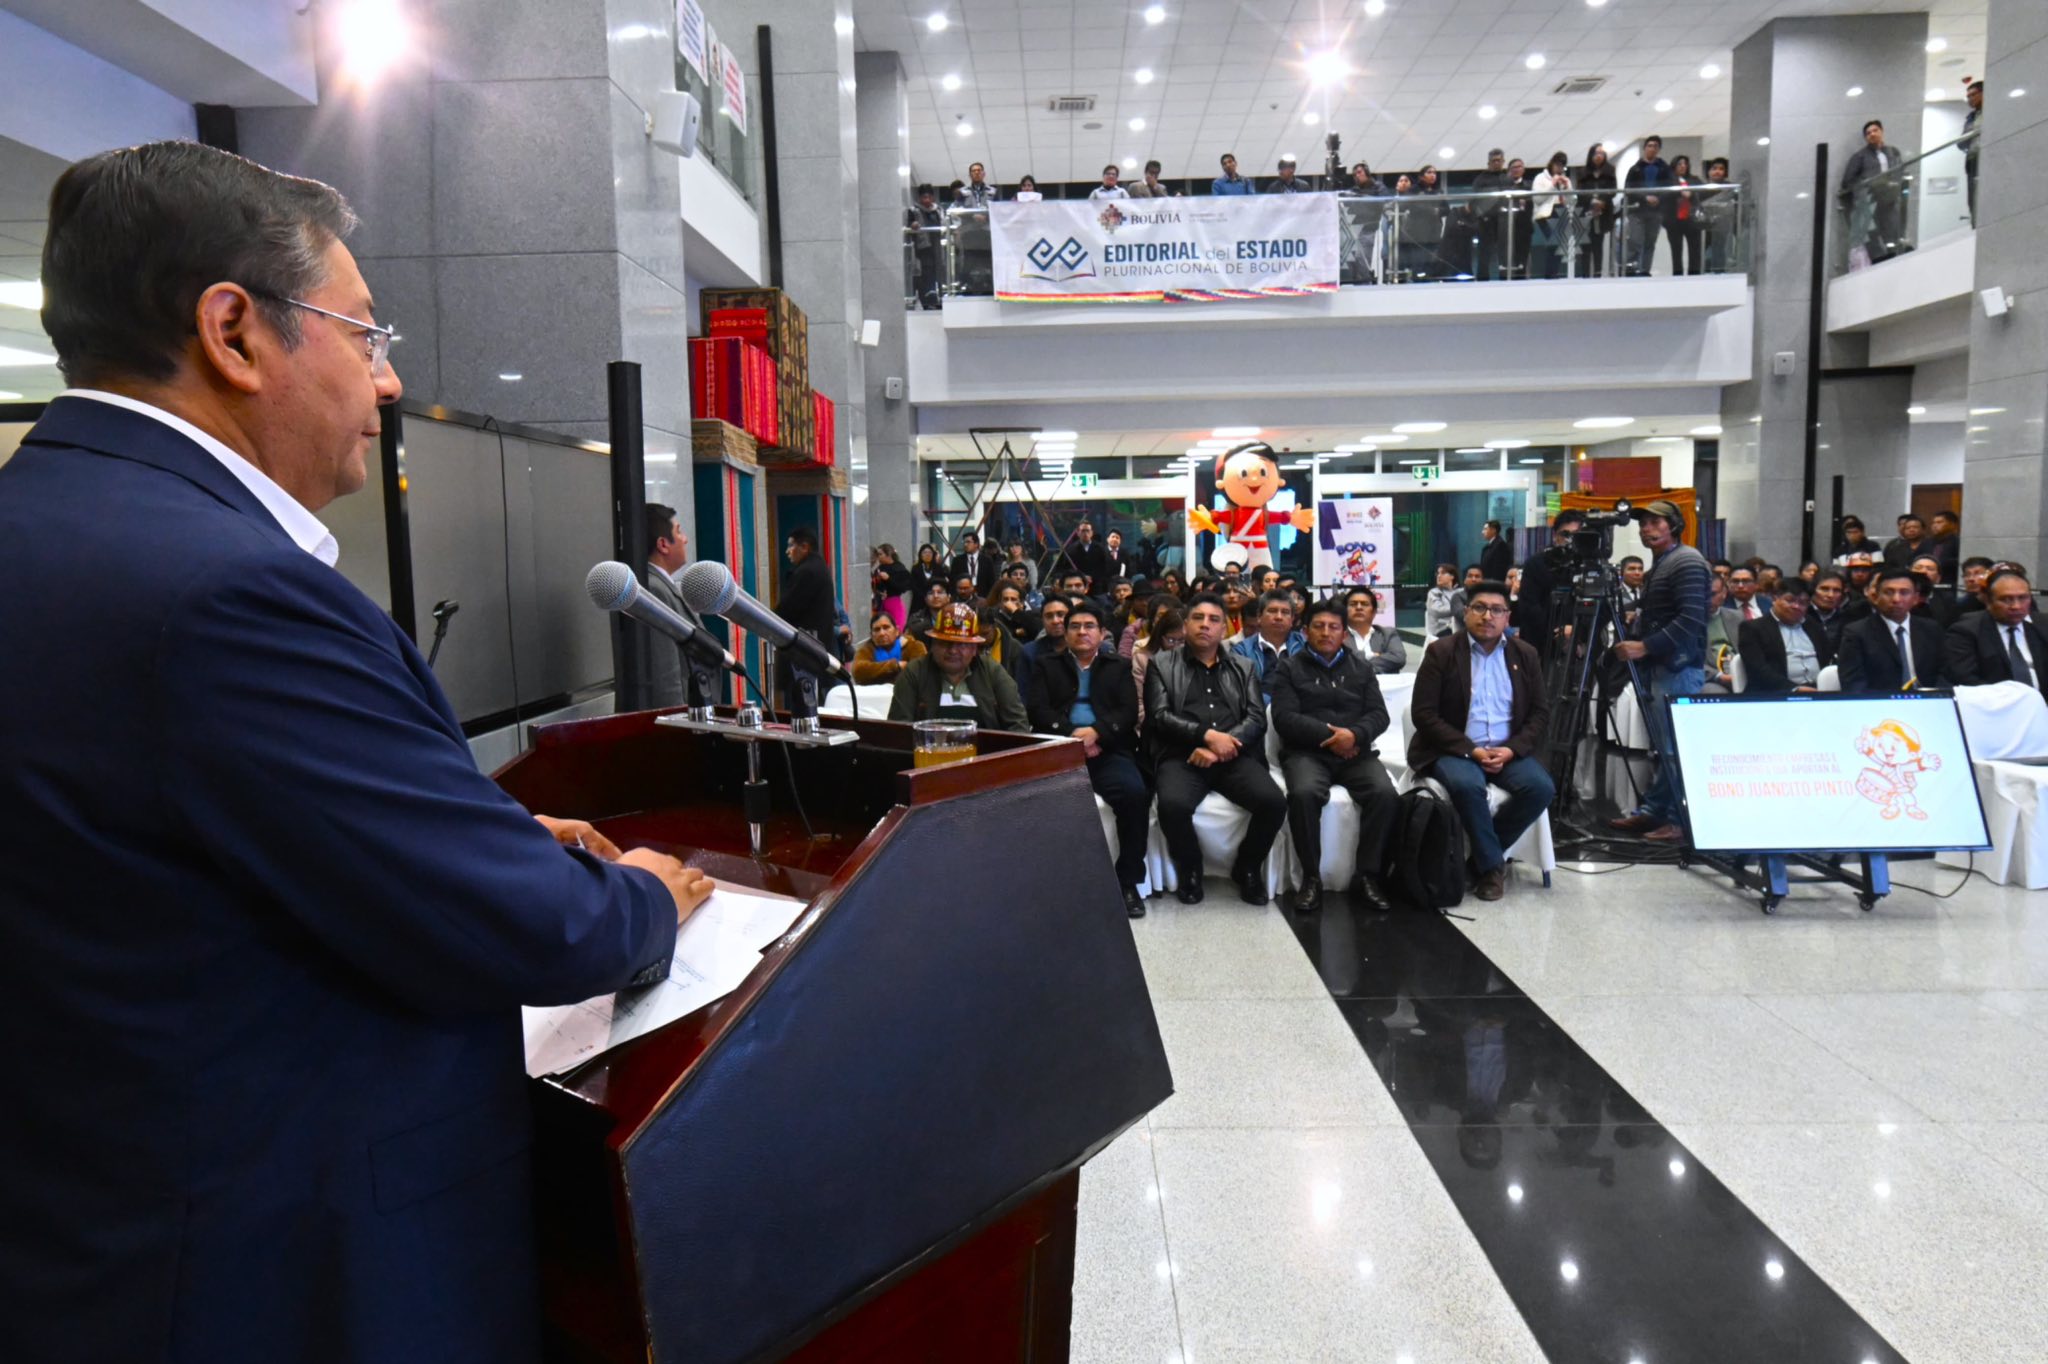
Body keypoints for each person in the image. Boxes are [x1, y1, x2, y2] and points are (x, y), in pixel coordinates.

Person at [0, 140, 715, 1362]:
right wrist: (643, 896)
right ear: (233, 330)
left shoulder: (43, 527)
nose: (387, 384)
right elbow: (530, 928)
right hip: (278, 1275)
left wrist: (463, 830)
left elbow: (177, 846)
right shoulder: (229, 591)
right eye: (365, 335)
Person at [1407, 581, 1556, 901]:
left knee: (1541, 788)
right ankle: (1492, 869)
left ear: (1507, 616)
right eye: (1480, 608)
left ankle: (1480, 860)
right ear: (1466, 612)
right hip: (1454, 749)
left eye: (1497, 610)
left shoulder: (1525, 654)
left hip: (1507, 749)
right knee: (1467, 786)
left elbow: (1540, 713)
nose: (1488, 616)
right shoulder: (1442, 652)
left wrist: (1511, 749)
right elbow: (1424, 714)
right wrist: (1470, 749)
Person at [1145, 593, 1288, 905]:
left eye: (1213, 620)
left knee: (1274, 802)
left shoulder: (1244, 666)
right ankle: (1191, 867)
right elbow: (1159, 716)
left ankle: (1247, 867)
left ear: (1224, 628)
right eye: (1198, 618)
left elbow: (1255, 718)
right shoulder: (1162, 664)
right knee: (1173, 806)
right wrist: (1207, 736)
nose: (1205, 626)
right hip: (1182, 755)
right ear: (1185, 625)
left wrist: (1223, 746)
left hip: (1233, 754)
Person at [1270, 599, 1401, 914]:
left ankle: (1367, 876)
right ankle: (1311, 878)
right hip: (1307, 753)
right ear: (1305, 631)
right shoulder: (1289, 666)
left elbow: (1379, 715)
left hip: (1356, 753)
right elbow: (1285, 718)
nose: (1326, 633)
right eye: (1318, 626)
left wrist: (1354, 736)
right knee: (1303, 794)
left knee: (1385, 794)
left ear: (1344, 634)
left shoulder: (1361, 667)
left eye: (1333, 627)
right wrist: (1334, 738)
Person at [1026, 597, 1151, 916]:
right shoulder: (1046, 665)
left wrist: (1097, 733)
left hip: (1107, 750)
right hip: (1058, 750)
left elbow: (1126, 711)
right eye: (1075, 626)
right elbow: (1038, 709)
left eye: (1089, 626)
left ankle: (1128, 882)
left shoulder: (1118, 666)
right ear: (1065, 632)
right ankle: (1046, 881)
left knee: (1135, 794)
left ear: (1102, 632)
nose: (1082, 632)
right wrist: (1071, 734)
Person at [1606, 500, 1709, 844]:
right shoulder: (1664, 563)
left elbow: (1692, 619)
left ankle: (1681, 821)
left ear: (1674, 526)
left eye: (1655, 522)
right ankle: (1654, 810)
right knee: (1665, 747)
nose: (1646, 528)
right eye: (1643, 523)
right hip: (1663, 667)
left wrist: (1645, 646)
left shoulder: (1687, 561)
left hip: (1677, 668)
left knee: (1674, 748)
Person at [619, 501, 707, 711]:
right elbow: (665, 672)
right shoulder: (654, 590)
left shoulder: (662, 585)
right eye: (679, 532)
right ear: (663, 544)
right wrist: (678, 720)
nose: (685, 539)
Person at [888, 601, 1029, 730]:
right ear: (933, 644)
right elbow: (898, 732)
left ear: (974, 649)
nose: (953, 650)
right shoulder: (913, 673)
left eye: (962, 644)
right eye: (945, 643)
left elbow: (1018, 725)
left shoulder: (993, 672)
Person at [1839, 568, 1946, 692]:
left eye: (1904, 592)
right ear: (1876, 596)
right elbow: (1854, 684)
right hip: (1881, 705)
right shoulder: (1857, 633)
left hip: (1928, 702)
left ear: (1915, 598)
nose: (1896, 599)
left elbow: (1946, 673)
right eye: (1889, 592)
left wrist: (1938, 695)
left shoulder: (1931, 629)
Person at [1946, 569, 2048, 692]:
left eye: (2023, 598)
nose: (2016, 606)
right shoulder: (1966, 632)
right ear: (1988, 601)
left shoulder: (2042, 625)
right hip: (1995, 704)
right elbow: (1966, 680)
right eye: (2006, 599)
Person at [775, 525, 838, 707]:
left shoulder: (808, 571)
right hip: (814, 650)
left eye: (791, 546)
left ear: (804, 547)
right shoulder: (817, 567)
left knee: (803, 706)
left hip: (804, 654)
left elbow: (787, 609)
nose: (787, 552)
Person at [1737, 576, 1834, 692]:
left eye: (1803, 603)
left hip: (1819, 691)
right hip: (1776, 693)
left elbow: (1828, 660)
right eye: (1790, 600)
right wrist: (1795, 689)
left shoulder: (1813, 626)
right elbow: (1758, 670)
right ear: (1775, 598)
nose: (1796, 606)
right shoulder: (1753, 628)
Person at [1510, 509, 1583, 656]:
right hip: (1541, 645)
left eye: (1576, 535)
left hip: (1580, 645)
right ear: (1555, 536)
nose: (1570, 540)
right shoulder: (1537, 563)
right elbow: (1529, 608)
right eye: (1565, 534)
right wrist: (1558, 632)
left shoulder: (1588, 565)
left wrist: (1577, 630)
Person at [1839, 119, 1906, 263]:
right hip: (1870, 203)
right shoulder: (1860, 157)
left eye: (1875, 130)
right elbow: (1847, 181)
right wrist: (1866, 187)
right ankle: (1878, 263)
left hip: (1890, 200)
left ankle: (1894, 260)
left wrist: (1895, 186)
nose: (1872, 134)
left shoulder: (1893, 152)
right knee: (1873, 236)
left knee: (1893, 233)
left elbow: (1900, 173)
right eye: (1868, 133)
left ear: (1881, 131)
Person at [1231, 588, 1306, 700]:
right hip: (1259, 713)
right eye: (1272, 611)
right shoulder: (1242, 651)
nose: (1278, 617)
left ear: (1292, 619)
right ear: (1259, 617)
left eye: (1285, 612)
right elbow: (1241, 692)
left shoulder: (1304, 646)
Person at [1622, 134, 1671, 275]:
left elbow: (1669, 187)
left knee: (1650, 242)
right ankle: (1631, 268)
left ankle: (1644, 270)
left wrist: (1659, 198)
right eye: (1649, 146)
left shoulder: (1664, 168)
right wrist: (1644, 197)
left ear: (1659, 149)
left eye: (1655, 146)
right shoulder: (1635, 169)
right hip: (1637, 210)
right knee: (1635, 240)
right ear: (1644, 148)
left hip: (1656, 211)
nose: (1652, 149)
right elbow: (1628, 189)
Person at [1131, 602, 1185, 727]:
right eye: (1171, 640)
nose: (1176, 646)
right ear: (1161, 637)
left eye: (1182, 641)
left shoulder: (1198, 657)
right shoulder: (1143, 658)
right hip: (1154, 725)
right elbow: (1138, 703)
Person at [1015, 592, 1070, 708]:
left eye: (1061, 614)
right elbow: (1023, 695)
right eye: (1049, 616)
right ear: (1042, 620)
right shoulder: (1030, 652)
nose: (1055, 621)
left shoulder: (1085, 649)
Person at [1577, 143, 1619, 277]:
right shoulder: (1582, 172)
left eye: (1601, 153)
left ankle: (1598, 273)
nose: (1599, 156)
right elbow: (1580, 192)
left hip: (1603, 212)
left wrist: (1602, 201)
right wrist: (1592, 201)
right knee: (1586, 246)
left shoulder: (1610, 170)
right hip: (1586, 211)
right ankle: (1585, 275)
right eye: (1596, 153)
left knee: (1598, 244)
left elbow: (1613, 190)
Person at [1531, 151, 1574, 279]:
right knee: (1554, 240)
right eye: (1557, 165)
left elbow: (1571, 200)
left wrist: (1567, 188)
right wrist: (1552, 185)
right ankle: (1550, 274)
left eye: (1562, 166)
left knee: (1560, 243)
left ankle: (1553, 272)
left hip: (1561, 212)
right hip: (1545, 214)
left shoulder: (1565, 179)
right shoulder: (1540, 178)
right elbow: (1537, 199)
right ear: (1552, 164)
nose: (1559, 169)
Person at [852, 610, 925, 685]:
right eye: (877, 630)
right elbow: (858, 672)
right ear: (871, 635)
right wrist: (895, 666)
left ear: (896, 631)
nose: (882, 633)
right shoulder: (866, 650)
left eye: (886, 627)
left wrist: (876, 673)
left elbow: (919, 672)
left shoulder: (914, 646)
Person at [1345, 587, 1405, 674]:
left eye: (1364, 604)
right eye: (1353, 604)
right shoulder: (1337, 635)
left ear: (1374, 611)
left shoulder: (1387, 633)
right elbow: (1339, 661)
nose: (1358, 607)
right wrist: (1372, 655)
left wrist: (1358, 667)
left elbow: (1398, 658)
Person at [1698, 156, 1739, 272]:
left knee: (1719, 252)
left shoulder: (1730, 189)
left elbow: (1732, 208)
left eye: (1721, 169)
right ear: (1709, 171)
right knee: (1704, 255)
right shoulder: (1702, 189)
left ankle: (1719, 273)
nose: (1717, 171)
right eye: (1714, 168)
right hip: (1704, 228)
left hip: (1723, 228)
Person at [908, 183, 945, 308]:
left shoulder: (938, 211)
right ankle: (929, 301)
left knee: (939, 272)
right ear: (919, 198)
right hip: (923, 249)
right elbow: (910, 227)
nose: (927, 200)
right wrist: (913, 226)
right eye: (924, 197)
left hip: (938, 247)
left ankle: (940, 298)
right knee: (927, 274)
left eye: (929, 197)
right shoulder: (914, 211)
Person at [1665, 154, 1702, 275]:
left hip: (1692, 220)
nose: (1683, 166)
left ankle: (1694, 274)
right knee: (1676, 251)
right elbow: (1664, 197)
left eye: (1685, 164)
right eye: (1679, 163)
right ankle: (1677, 275)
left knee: (1695, 250)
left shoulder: (1694, 180)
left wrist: (1691, 195)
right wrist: (1679, 193)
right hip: (1674, 221)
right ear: (1674, 166)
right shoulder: (1669, 181)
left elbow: (1703, 194)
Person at [871, 542, 911, 631]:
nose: (878, 557)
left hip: (893, 602)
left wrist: (889, 579)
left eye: (880, 554)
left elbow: (903, 587)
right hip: (880, 603)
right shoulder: (880, 568)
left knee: (897, 628)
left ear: (888, 555)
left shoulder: (899, 568)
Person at [949, 530, 1000, 598]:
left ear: (976, 544)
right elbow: (953, 581)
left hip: (983, 597)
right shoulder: (957, 561)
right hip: (963, 597)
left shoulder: (986, 560)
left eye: (968, 542)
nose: (965, 545)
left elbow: (991, 581)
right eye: (964, 542)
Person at [1810, 572, 1853, 650]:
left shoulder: (1848, 619)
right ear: (1813, 590)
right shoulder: (1800, 616)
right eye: (1824, 589)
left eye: (1836, 590)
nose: (1830, 595)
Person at [1961, 80, 1984, 225]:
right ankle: (1975, 225)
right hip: (1972, 160)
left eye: (1973, 95)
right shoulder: (1971, 117)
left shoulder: (1991, 113)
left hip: (1986, 159)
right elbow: (1961, 142)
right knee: (1972, 197)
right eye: (1968, 96)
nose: (1970, 99)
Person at [1065, 517, 1109, 593]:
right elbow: (1066, 568)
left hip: (1096, 587)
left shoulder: (1100, 549)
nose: (1085, 533)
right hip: (1076, 587)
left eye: (1088, 531)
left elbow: (1104, 567)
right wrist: (1082, 577)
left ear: (1092, 532)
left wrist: (1092, 577)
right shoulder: (1070, 549)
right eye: (1083, 531)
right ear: (1078, 533)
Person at [1425, 562, 1465, 638]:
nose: (1439, 576)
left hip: (1458, 629)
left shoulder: (1460, 592)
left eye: (1443, 573)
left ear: (1452, 576)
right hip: (1441, 631)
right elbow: (1437, 611)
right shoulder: (1434, 592)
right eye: (1438, 573)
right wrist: (1459, 609)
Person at [1927, 510, 1960, 584]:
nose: (1934, 526)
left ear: (1952, 524)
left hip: (1949, 584)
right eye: (1933, 523)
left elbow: (1960, 561)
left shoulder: (1958, 542)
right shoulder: (1927, 542)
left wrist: (1940, 563)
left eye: (1939, 522)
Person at [1478, 517, 1513, 581]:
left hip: (1494, 585)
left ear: (1493, 530)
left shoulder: (1501, 546)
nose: (1482, 532)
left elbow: (1499, 571)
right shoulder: (1489, 546)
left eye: (1485, 529)